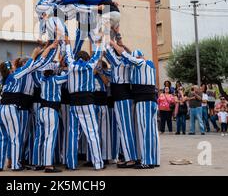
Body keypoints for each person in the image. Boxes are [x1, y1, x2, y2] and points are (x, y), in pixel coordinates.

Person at [0, 41, 57, 171]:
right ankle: (15, 164)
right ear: (11, 69)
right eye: (11, 66)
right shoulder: (15, 75)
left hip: (1, 109)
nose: (13, 66)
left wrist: (45, 48)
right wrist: (37, 53)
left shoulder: (4, 79)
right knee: (16, 137)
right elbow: (31, 65)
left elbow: (31, 65)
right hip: (13, 108)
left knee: (2, 138)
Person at [111, 41, 160, 169]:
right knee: (151, 131)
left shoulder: (141, 63)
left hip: (144, 101)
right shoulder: (149, 64)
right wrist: (123, 44)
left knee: (145, 131)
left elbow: (126, 55)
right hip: (150, 101)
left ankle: (147, 162)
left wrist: (111, 42)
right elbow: (130, 55)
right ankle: (153, 159)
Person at [64, 33, 104, 171]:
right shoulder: (90, 65)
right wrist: (100, 41)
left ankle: (71, 164)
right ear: (87, 58)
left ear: (76, 58)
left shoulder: (71, 65)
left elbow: (68, 54)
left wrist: (67, 42)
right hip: (87, 102)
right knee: (92, 133)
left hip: (74, 103)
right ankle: (98, 164)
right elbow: (98, 54)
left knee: (73, 134)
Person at [104, 39, 137, 168]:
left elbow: (107, 51)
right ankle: (128, 156)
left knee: (125, 128)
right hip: (123, 97)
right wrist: (118, 36)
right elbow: (126, 52)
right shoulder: (127, 62)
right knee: (124, 128)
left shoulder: (119, 62)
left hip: (122, 98)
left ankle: (130, 159)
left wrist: (110, 41)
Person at [33, 64, 68, 173]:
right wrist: (65, 69)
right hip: (51, 110)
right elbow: (68, 76)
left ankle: (38, 163)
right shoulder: (56, 79)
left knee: (39, 137)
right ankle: (48, 165)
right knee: (50, 138)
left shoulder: (42, 79)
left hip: (41, 110)